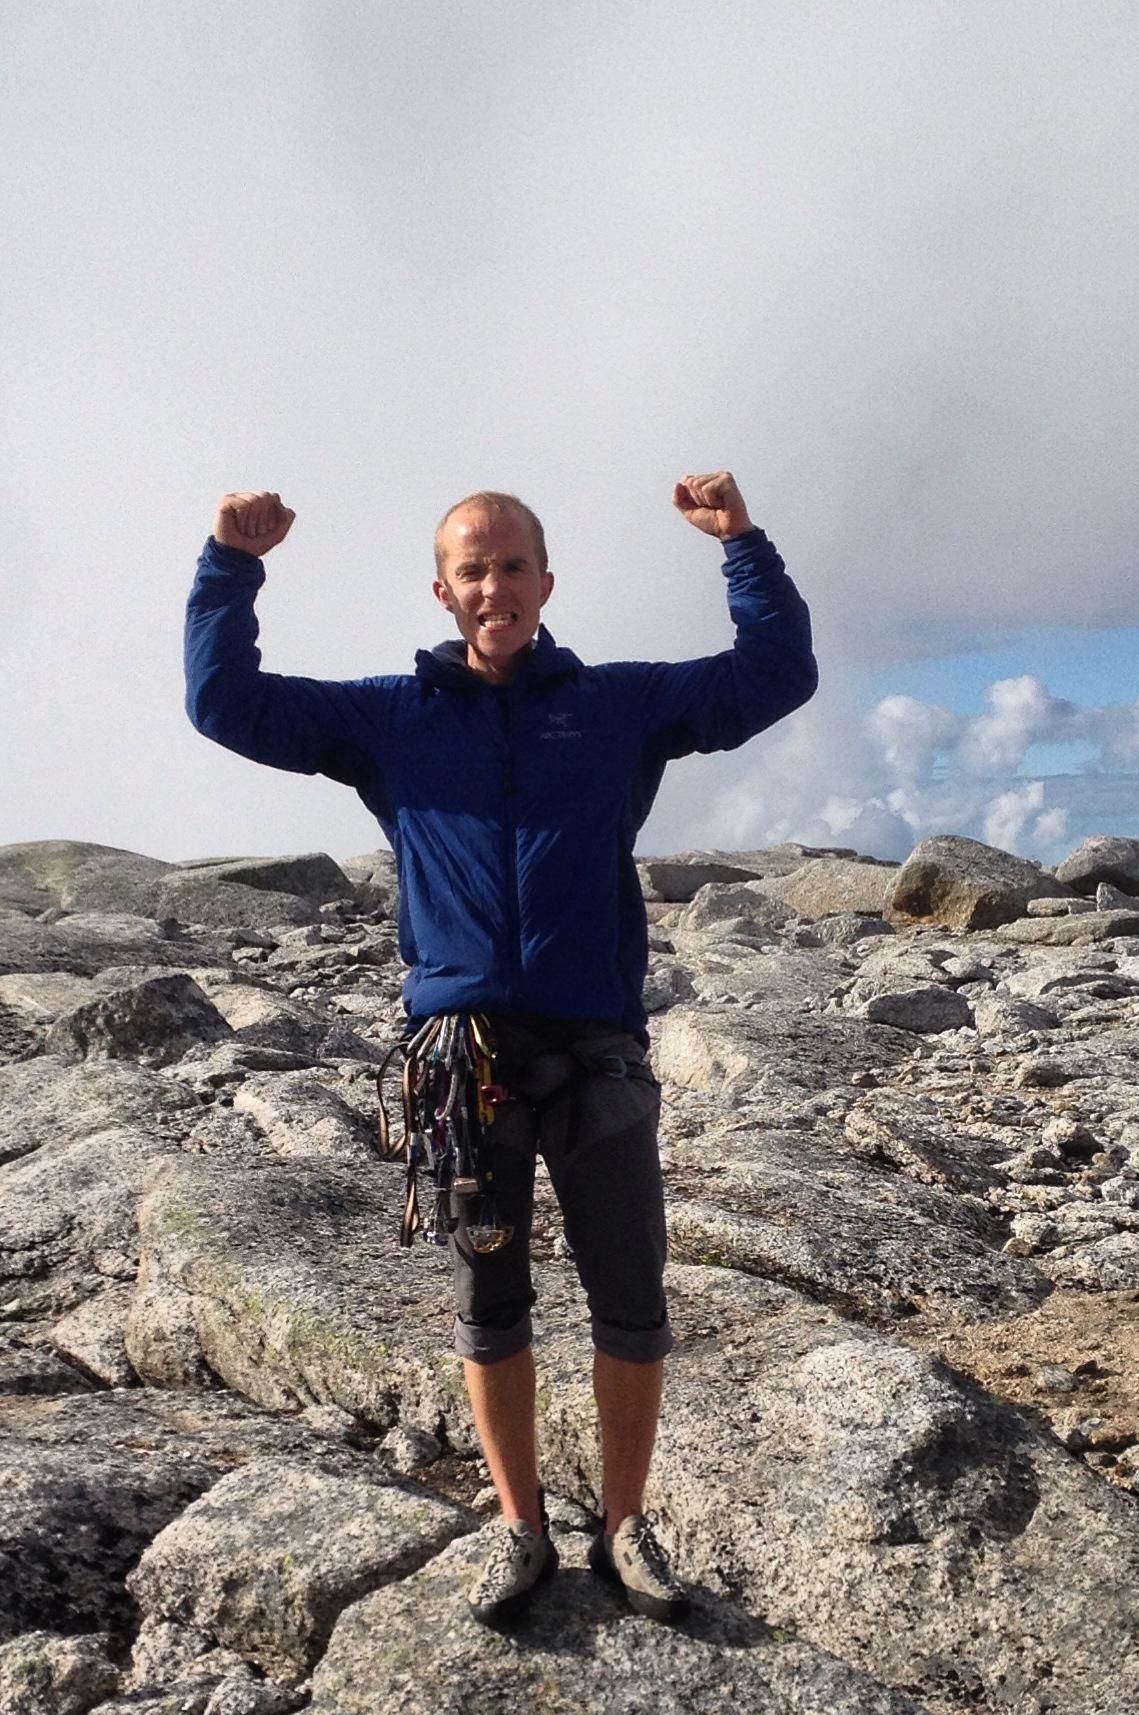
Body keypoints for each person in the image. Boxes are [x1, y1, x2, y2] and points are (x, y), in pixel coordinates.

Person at [185, 473, 817, 1626]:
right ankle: (521, 1526)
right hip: (462, 1056)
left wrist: (742, 544)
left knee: (630, 1296)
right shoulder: (390, 718)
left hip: (597, 1044)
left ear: (545, 581)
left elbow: (774, 675)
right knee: (490, 1299)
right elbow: (226, 704)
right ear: (444, 590)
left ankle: (624, 1528)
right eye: (472, 569)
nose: (493, 587)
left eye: (511, 565)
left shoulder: (618, 704)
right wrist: (231, 566)